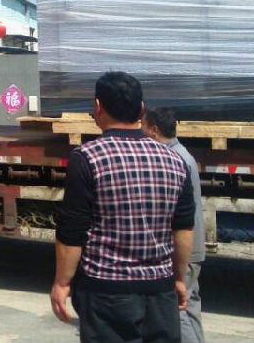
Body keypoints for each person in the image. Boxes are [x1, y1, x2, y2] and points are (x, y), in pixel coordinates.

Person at [50, 71, 195, 343]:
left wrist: (62, 282)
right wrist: (178, 278)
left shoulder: (87, 158)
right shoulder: (176, 161)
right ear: (142, 109)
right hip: (160, 292)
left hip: (106, 295)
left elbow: (72, 231)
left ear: (97, 107)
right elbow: (183, 229)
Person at [143, 106, 206, 343]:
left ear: (154, 130)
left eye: (143, 127)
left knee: (176, 308)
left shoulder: (173, 160)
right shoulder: (183, 154)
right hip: (193, 245)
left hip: (183, 247)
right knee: (190, 305)